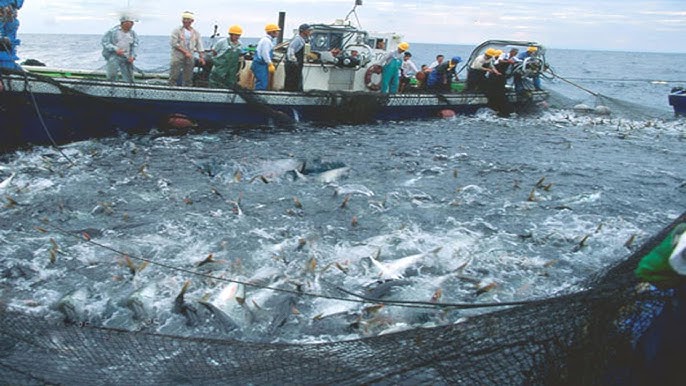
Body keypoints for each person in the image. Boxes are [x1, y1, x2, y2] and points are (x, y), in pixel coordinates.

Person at [169, 11, 205, 87]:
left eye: (187, 19)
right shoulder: (176, 30)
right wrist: (185, 52)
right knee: (174, 75)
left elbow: (199, 45)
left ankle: (187, 90)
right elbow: (174, 43)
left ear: (192, 21)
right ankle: (171, 89)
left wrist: (201, 57)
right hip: (177, 56)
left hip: (190, 56)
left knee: (188, 76)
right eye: (184, 19)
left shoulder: (195, 32)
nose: (185, 21)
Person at [101, 15, 139, 83]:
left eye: (131, 24)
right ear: (122, 23)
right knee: (112, 75)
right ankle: (111, 89)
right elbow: (105, 42)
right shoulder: (112, 32)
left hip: (127, 58)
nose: (130, 26)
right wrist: (115, 49)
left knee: (129, 77)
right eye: (128, 24)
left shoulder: (133, 33)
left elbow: (134, 46)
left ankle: (129, 90)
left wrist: (133, 56)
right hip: (114, 56)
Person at [208, 25, 244, 89]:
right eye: (235, 35)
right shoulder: (222, 42)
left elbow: (240, 54)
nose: (237, 37)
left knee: (230, 83)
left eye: (238, 35)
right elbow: (214, 52)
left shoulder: (240, 44)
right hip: (220, 67)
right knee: (215, 82)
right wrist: (217, 61)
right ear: (230, 34)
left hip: (232, 69)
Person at [252, 23, 280, 91]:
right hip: (260, 65)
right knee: (262, 83)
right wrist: (270, 63)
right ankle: (258, 99)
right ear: (272, 32)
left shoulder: (267, 40)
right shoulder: (266, 41)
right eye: (277, 31)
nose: (278, 32)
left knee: (262, 82)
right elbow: (265, 53)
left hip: (261, 64)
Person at [284, 23, 313, 92]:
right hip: (292, 65)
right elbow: (291, 50)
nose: (310, 32)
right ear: (303, 31)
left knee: (297, 82)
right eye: (308, 30)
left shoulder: (302, 40)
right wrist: (294, 61)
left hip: (296, 65)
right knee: (291, 82)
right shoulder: (298, 39)